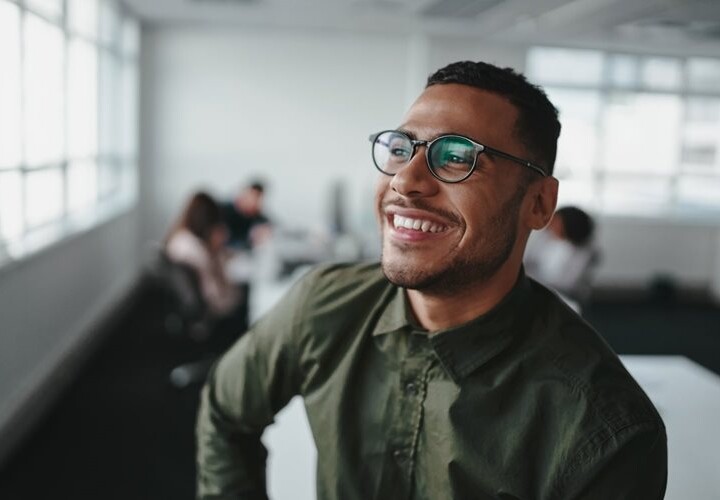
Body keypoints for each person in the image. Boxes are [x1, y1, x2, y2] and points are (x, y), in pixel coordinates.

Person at [196, 61, 667, 499]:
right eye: (401, 148)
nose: (405, 179)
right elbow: (225, 411)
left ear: (540, 204)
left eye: (458, 156)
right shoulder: (324, 303)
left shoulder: (603, 430)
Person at [165, 191, 241, 318]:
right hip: (210, 312)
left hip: (185, 306)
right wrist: (216, 251)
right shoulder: (197, 251)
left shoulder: (180, 237)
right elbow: (216, 297)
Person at [524, 205, 600, 309]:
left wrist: (533, 278)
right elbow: (528, 260)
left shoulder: (584, 251)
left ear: (570, 224)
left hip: (564, 297)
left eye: (556, 221)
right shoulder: (544, 237)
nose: (550, 224)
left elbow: (567, 283)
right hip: (535, 287)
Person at [222, 181, 272, 250]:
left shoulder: (261, 220)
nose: (252, 202)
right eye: (251, 196)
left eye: (257, 199)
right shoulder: (224, 211)